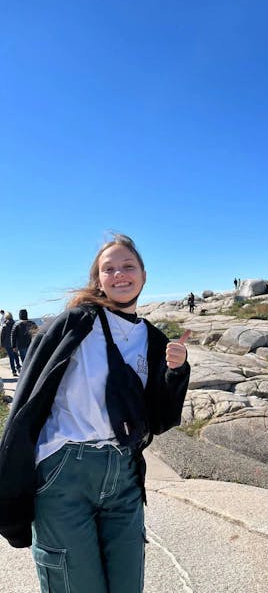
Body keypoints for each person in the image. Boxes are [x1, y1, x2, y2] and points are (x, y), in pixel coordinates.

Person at [0, 234, 191, 593]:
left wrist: (176, 372)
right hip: (64, 472)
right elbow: (28, 399)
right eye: (109, 269)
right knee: (74, 585)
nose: (120, 274)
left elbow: (160, 418)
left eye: (128, 266)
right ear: (98, 280)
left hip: (124, 475)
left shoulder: (151, 337)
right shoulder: (74, 324)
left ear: (144, 275)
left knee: (126, 583)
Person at [0, 312, 21, 376]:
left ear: (5, 317)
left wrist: (2, 344)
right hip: (15, 343)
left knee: (11, 357)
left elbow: (2, 336)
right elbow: (18, 334)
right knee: (16, 355)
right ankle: (19, 367)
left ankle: (13, 371)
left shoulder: (4, 326)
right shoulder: (16, 324)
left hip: (7, 344)